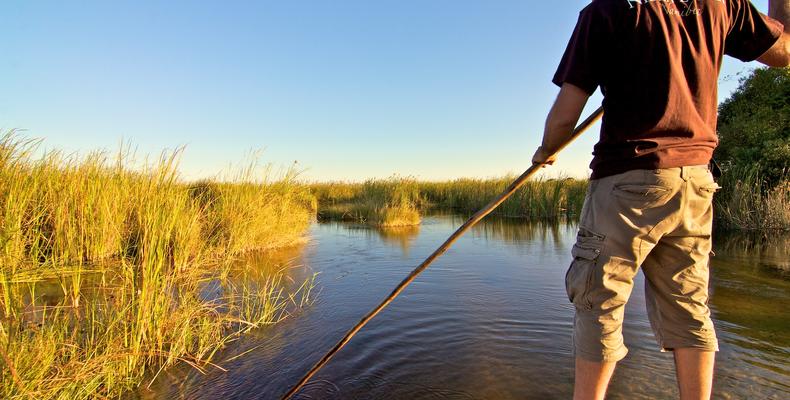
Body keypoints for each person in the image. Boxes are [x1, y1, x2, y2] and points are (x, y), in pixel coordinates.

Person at [531, 1, 790, 399]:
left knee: (598, 303)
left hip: (627, 181)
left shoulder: (607, 10)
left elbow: (567, 114)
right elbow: (783, 53)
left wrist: (547, 149)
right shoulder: (722, 4)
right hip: (695, 183)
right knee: (689, 307)